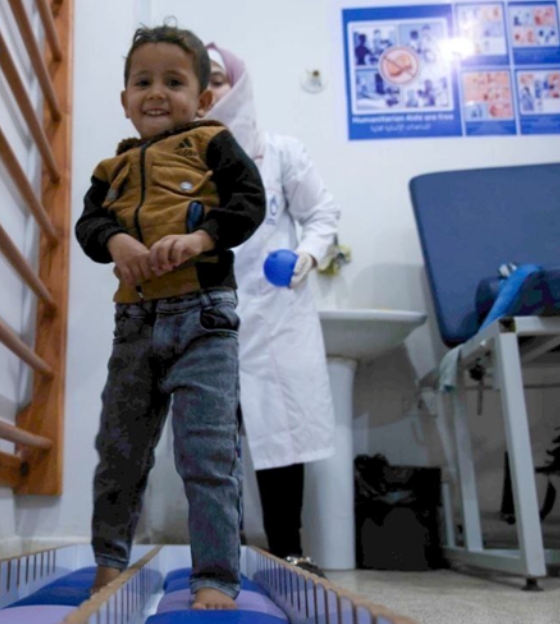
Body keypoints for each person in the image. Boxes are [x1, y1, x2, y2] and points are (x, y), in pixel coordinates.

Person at [75, 24, 266, 609]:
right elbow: (89, 224)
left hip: (202, 319)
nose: (155, 92)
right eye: (142, 81)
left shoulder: (212, 142)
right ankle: (110, 564)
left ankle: (214, 576)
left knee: (207, 454)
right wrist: (117, 244)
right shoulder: (111, 169)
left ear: (203, 98)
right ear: (125, 99)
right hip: (134, 324)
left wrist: (204, 238)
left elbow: (249, 202)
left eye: (173, 81)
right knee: (119, 451)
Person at [203, 42, 339, 577]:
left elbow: (322, 213)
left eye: (216, 76)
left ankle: (289, 550)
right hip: (211, 312)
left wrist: (306, 256)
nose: (210, 88)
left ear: (237, 83)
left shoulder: (280, 152)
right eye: (200, 78)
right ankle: (223, 552)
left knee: (282, 432)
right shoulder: (179, 156)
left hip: (275, 312)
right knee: (216, 438)